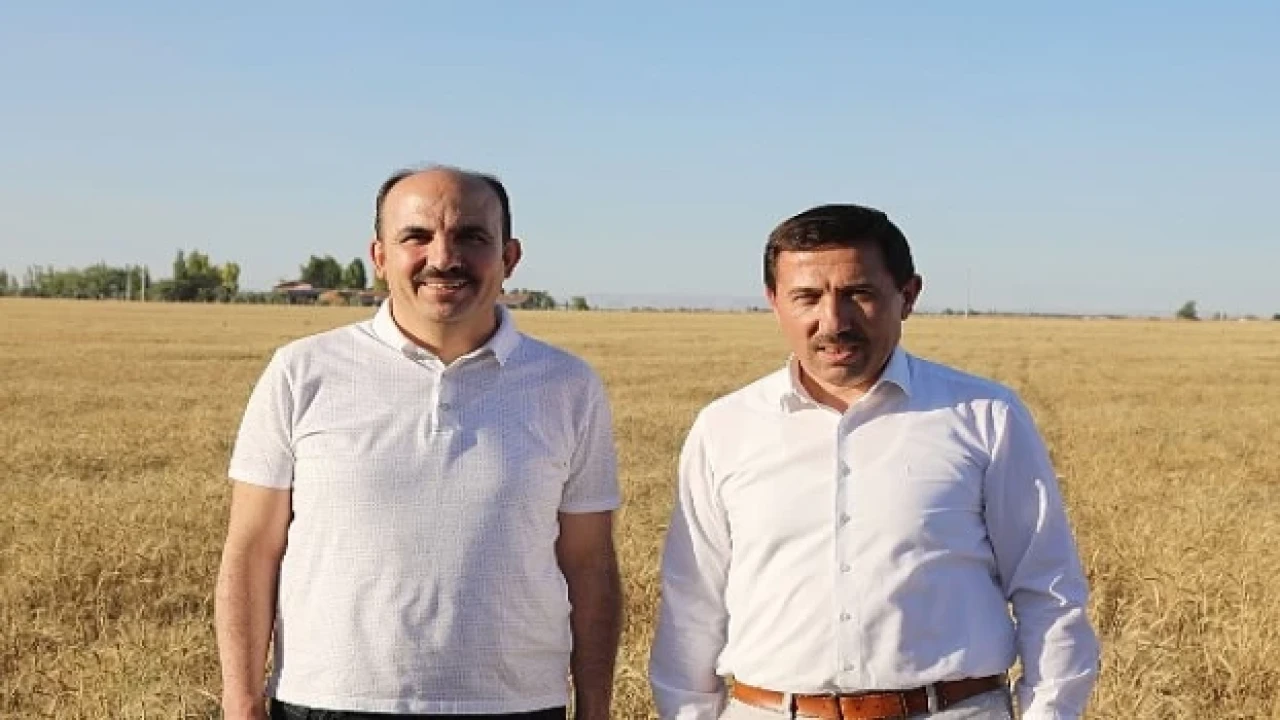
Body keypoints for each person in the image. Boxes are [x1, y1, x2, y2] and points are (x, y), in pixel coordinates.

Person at [649, 204, 1100, 720]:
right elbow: (691, 606)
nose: (833, 321)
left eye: (858, 294)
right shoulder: (725, 428)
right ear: (774, 301)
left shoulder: (985, 416)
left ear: (908, 296)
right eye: (807, 297)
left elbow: (1049, 590)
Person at [215, 165, 623, 720]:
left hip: (515, 705)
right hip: (327, 701)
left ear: (509, 257)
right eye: (416, 236)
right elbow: (252, 549)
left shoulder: (567, 386)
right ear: (379, 256)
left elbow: (589, 563)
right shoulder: (301, 372)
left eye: (472, 237)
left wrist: (595, 706)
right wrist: (241, 701)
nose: (443, 258)